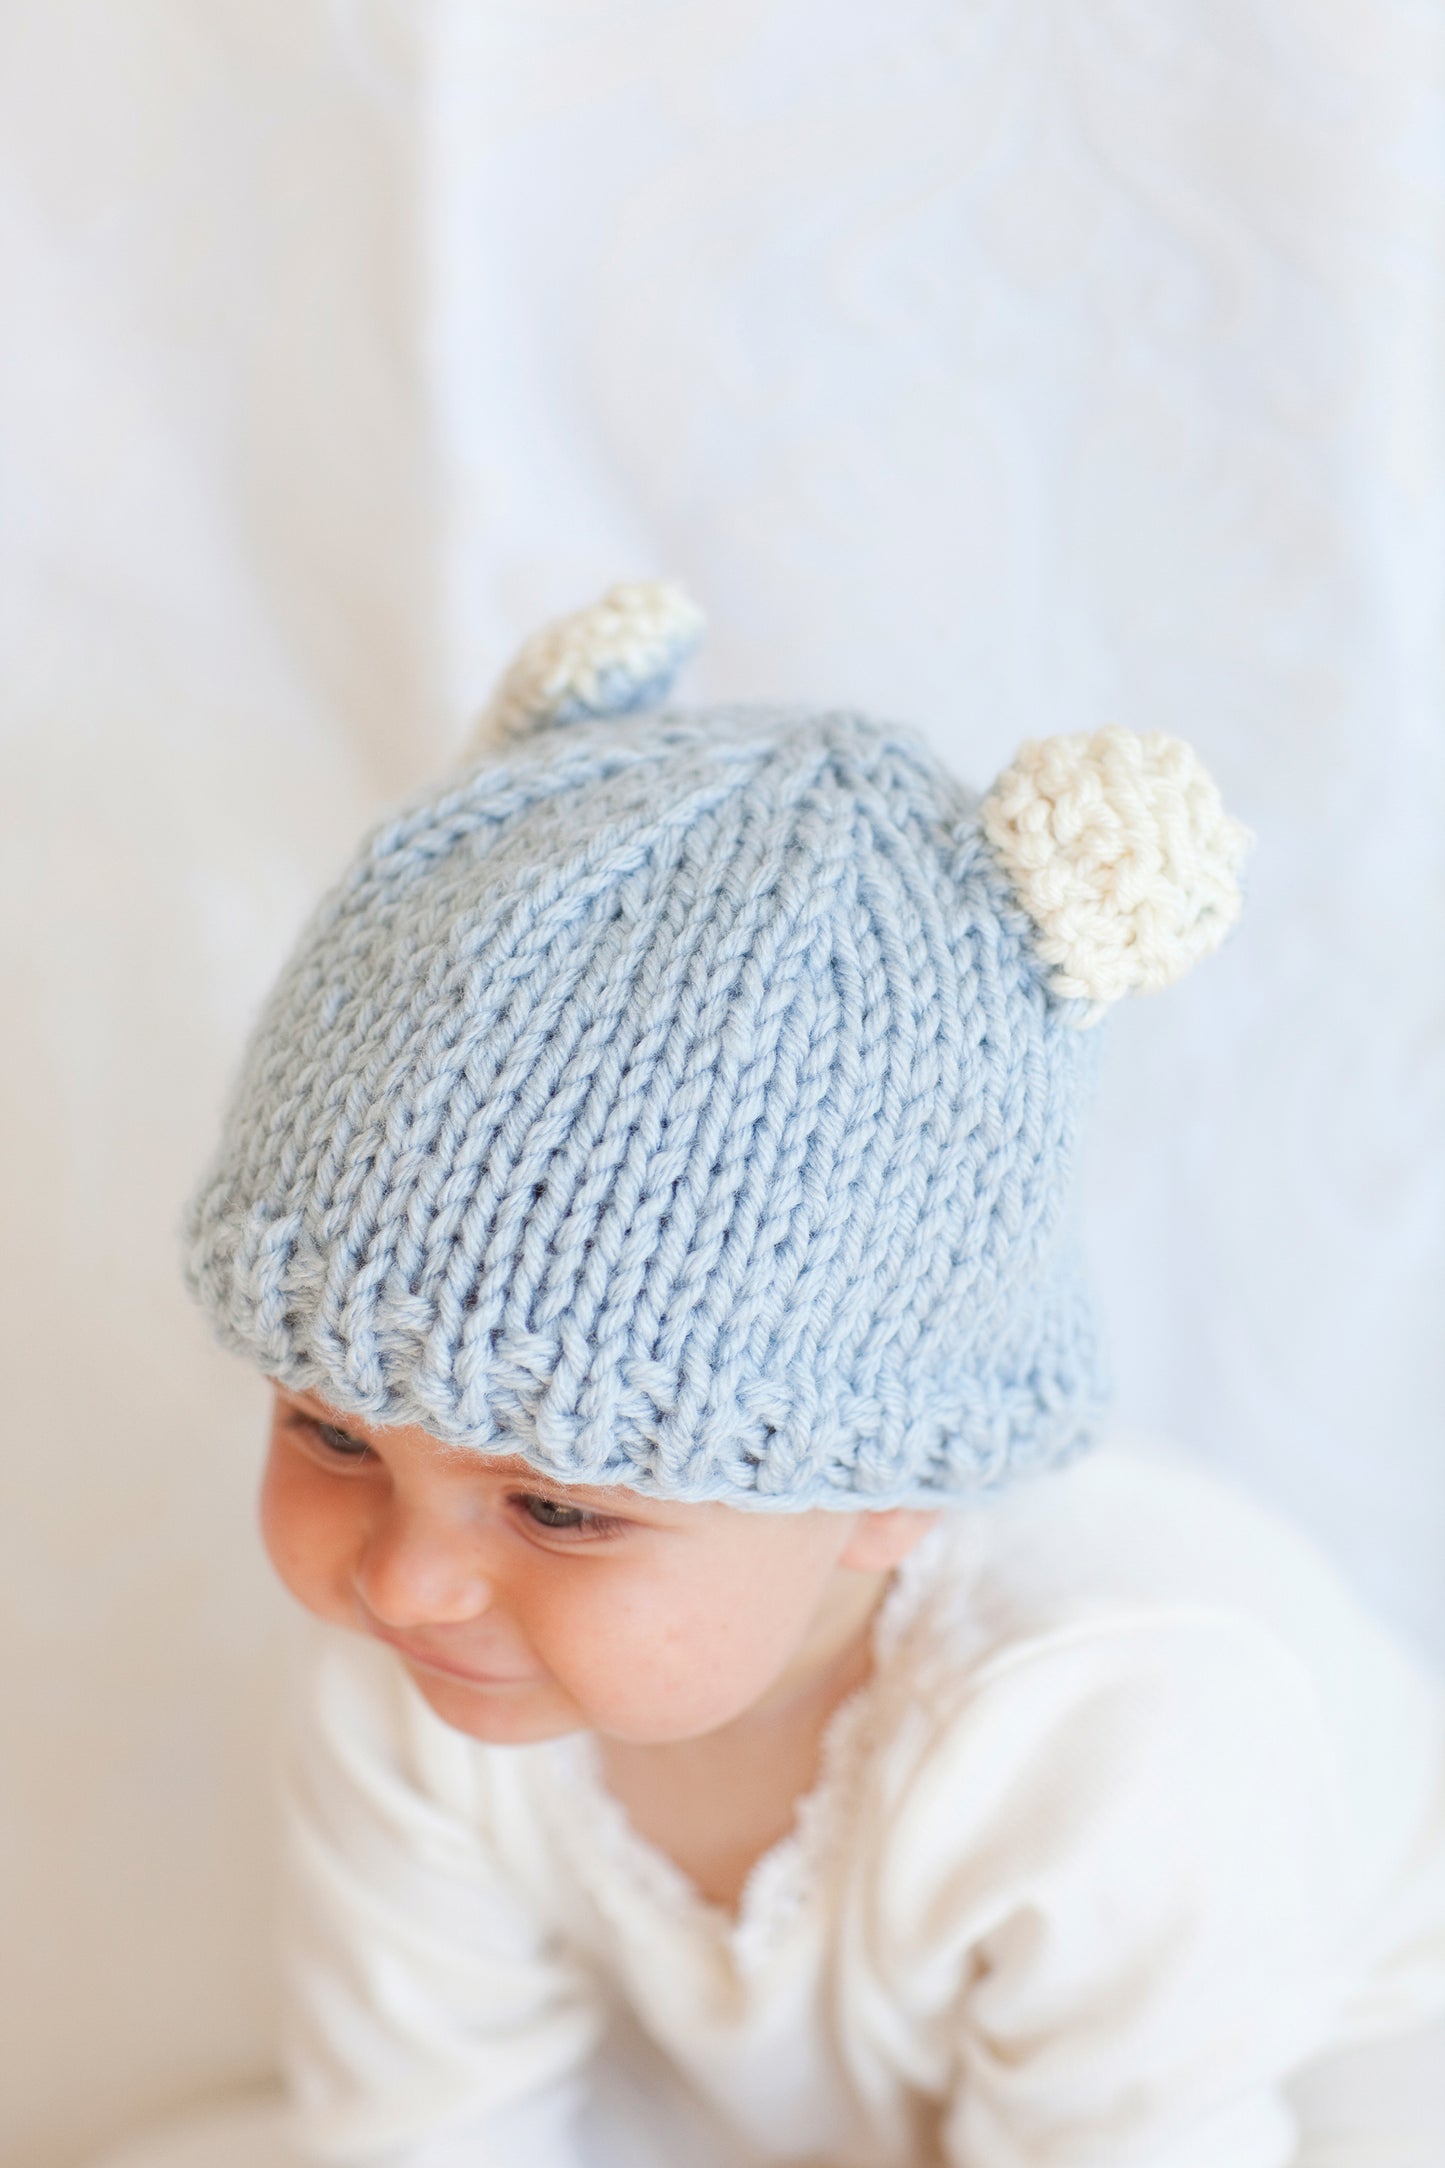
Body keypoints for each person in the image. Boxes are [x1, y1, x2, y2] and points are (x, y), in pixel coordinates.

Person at [168, 584, 1443, 2168]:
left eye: (559, 1507)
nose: (406, 1579)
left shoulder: (1118, 1724)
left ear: (890, 1488)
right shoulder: (433, 1683)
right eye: (328, 1428)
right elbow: (417, 2120)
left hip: (1282, 2081)